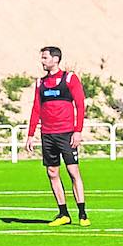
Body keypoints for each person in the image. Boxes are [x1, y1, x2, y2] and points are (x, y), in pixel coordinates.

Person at [25, 46, 90, 227]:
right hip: (47, 134)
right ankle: (63, 213)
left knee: (73, 171)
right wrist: (30, 134)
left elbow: (80, 105)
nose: (42, 61)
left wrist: (78, 131)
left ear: (55, 59)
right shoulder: (40, 83)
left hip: (66, 133)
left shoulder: (69, 78)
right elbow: (36, 109)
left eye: (45, 58)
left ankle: (82, 213)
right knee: (52, 172)